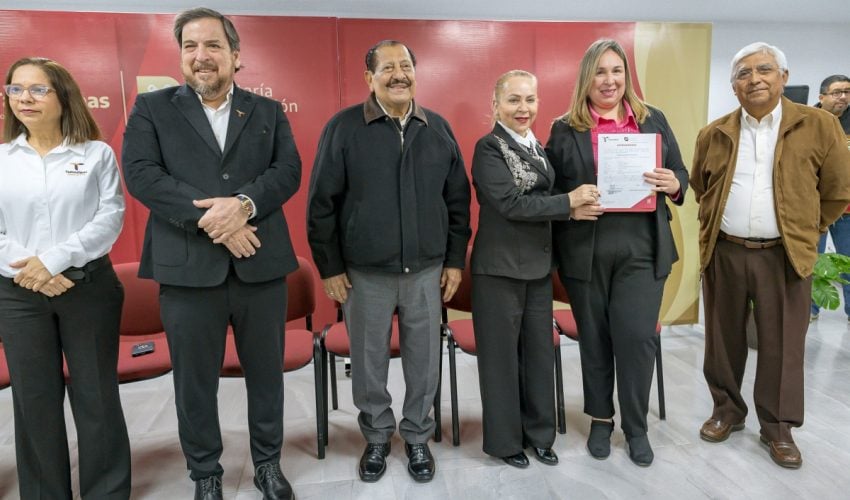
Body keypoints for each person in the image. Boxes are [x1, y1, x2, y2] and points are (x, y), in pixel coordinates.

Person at [122, 8, 301, 500]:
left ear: (235, 55)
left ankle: (268, 464)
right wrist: (217, 220)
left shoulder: (267, 111)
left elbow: (286, 171)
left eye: (213, 45)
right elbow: (142, 174)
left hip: (259, 266)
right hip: (186, 271)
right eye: (190, 46)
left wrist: (243, 205)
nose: (201, 56)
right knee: (194, 384)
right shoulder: (152, 108)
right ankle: (205, 472)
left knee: (266, 376)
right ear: (181, 55)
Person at [307, 40, 470, 483]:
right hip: (364, 274)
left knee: (425, 360)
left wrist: (455, 260)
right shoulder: (343, 128)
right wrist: (330, 267)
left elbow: (458, 200)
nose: (399, 74)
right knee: (368, 361)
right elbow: (321, 204)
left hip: (426, 271)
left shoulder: (437, 128)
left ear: (416, 73)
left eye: (406, 66)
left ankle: (417, 435)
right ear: (369, 78)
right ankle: (377, 435)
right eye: (388, 68)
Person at [691, 42, 850, 469]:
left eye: (764, 69)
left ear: (783, 77)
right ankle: (727, 411)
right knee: (722, 340)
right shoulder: (715, 132)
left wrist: (804, 230)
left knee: (782, 346)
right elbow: (700, 186)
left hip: (784, 255)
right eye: (744, 73)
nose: (754, 79)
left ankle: (778, 427)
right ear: (734, 86)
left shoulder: (819, 126)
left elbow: (837, 191)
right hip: (725, 251)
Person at [545, 39, 688, 467]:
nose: (609, 81)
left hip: (643, 247)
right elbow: (551, 192)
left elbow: (680, 173)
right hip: (586, 249)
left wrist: (673, 184)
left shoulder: (652, 119)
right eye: (600, 72)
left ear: (626, 75)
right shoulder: (564, 128)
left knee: (637, 339)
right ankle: (601, 419)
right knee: (595, 339)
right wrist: (571, 204)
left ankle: (636, 427)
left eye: (617, 71)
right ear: (586, 79)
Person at [0, 57, 130, 499]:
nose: (25, 98)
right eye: (16, 89)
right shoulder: (3, 158)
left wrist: (53, 261)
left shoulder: (95, 154)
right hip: (18, 293)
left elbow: (109, 218)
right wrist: (33, 271)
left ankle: (106, 492)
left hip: (87, 287)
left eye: (38, 89)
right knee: (33, 400)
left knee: (96, 395)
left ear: (63, 96)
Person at [470, 70, 595, 468]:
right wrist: (568, 203)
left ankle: (540, 435)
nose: (523, 108)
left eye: (530, 99)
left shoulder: (536, 146)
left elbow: (543, 201)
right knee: (501, 362)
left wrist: (573, 208)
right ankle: (506, 442)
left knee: (539, 356)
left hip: (538, 269)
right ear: (496, 105)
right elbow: (510, 204)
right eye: (513, 100)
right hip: (499, 271)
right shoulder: (488, 148)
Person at [810, 74, 850, 321]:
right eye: (837, 92)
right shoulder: (808, 121)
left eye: (847, 92)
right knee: (810, 261)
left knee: (848, 262)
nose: (843, 97)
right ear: (821, 96)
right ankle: (809, 310)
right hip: (814, 207)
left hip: (847, 209)